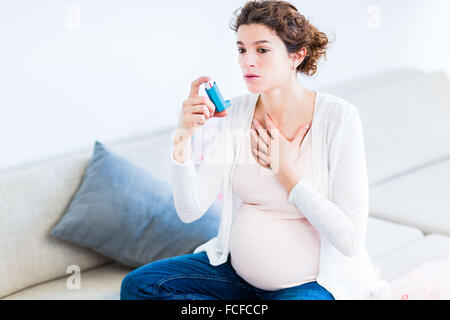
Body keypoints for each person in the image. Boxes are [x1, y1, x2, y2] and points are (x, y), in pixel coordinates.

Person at [120, 0, 390, 300]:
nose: (247, 61)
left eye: (262, 50)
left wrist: (289, 176)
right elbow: (190, 209)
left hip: (310, 285)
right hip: (236, 277)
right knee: (139, 285)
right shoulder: (236, 114)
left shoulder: (339, 118)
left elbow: (351, 239)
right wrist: (183, 136)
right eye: (241, 49)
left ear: (296, 56)